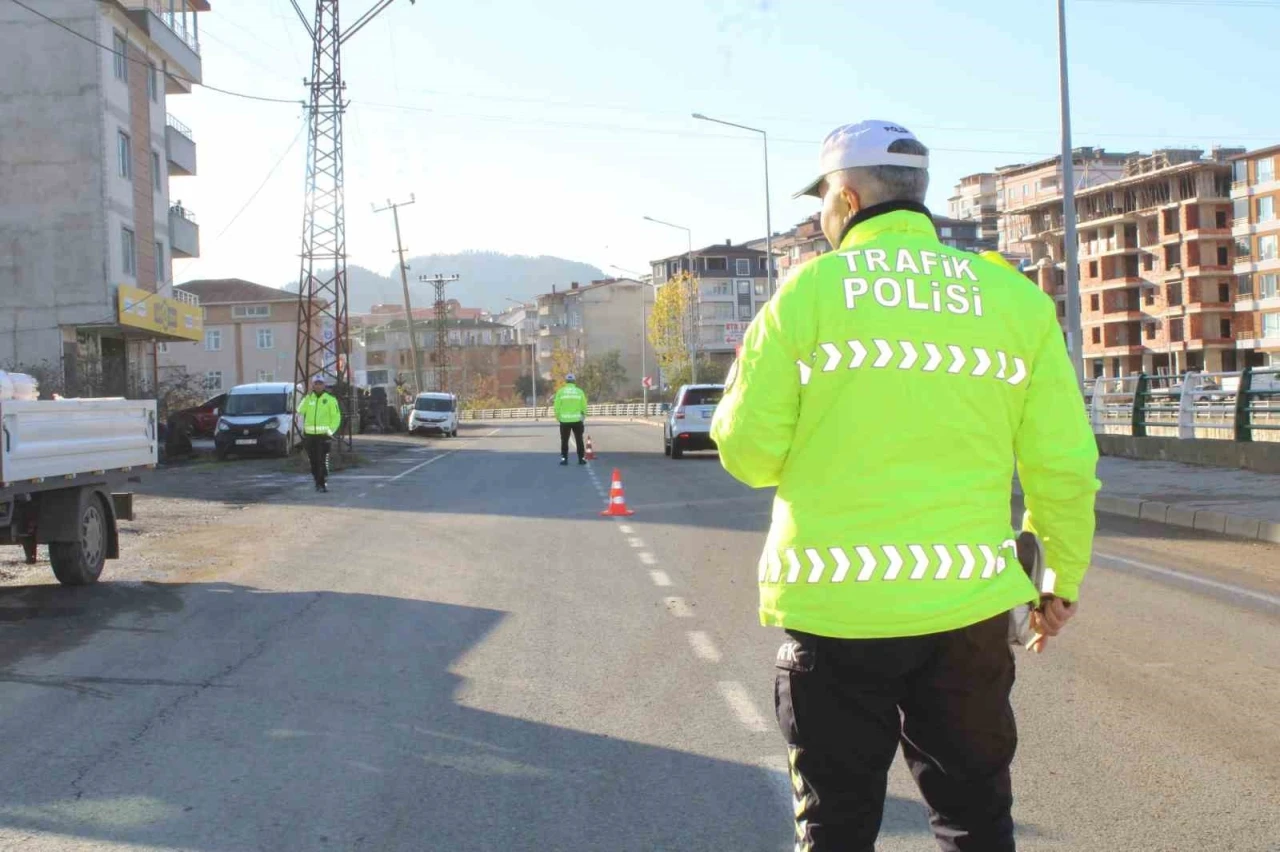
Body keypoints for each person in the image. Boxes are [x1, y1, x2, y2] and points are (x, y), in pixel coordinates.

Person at [710, 120, 1099, 852]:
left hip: (838, 614)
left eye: (822, 199)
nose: (822, 216)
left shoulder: (808, 293)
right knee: (976, 822)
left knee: (837, 827)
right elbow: (1064, 462)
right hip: (969, 611)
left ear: (848, 200)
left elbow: (749, 455)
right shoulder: (1011, 300)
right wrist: (1060, 578)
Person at [299, 376, 341, 492]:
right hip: (310, 435)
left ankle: (322, 482)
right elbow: (300, 410)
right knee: (313, 460)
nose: (318, 386)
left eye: (320, 383)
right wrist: (306, 397)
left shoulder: (330, 399)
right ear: (313, 385)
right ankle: (317, 480)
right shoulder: (309, 398)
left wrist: (330, 431)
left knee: (322, 459)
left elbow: (336, 417)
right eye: (316, 384)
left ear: (324, 385)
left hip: (324, 435)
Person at [553, 373, 588, 466]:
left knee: (564, 441)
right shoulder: (579, 392)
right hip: (577, 420)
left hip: (564, 421)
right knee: (579, 440)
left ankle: (564, 459)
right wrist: (583, 417)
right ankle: (581, 459)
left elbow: (556, 406)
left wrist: (558, 417)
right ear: (574, 381)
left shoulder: (561, 392)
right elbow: (584, 406)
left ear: (566, 381)